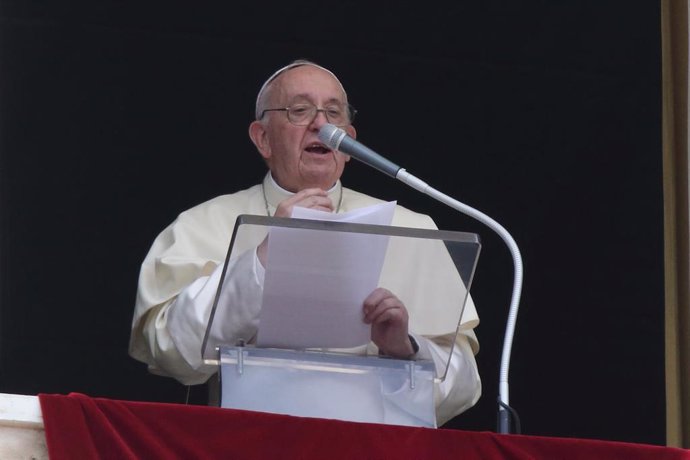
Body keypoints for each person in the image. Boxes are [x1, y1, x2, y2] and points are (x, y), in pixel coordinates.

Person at [129, 59, 481, 426]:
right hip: (249, 443)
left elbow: (465, 385)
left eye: (333, 112)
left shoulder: (414, 229)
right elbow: (170, 349)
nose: (321, 124)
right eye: (299, 111)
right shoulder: (203, 223)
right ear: (262, 138)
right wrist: (263, 260)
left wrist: (404, 349)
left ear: (348, 144)